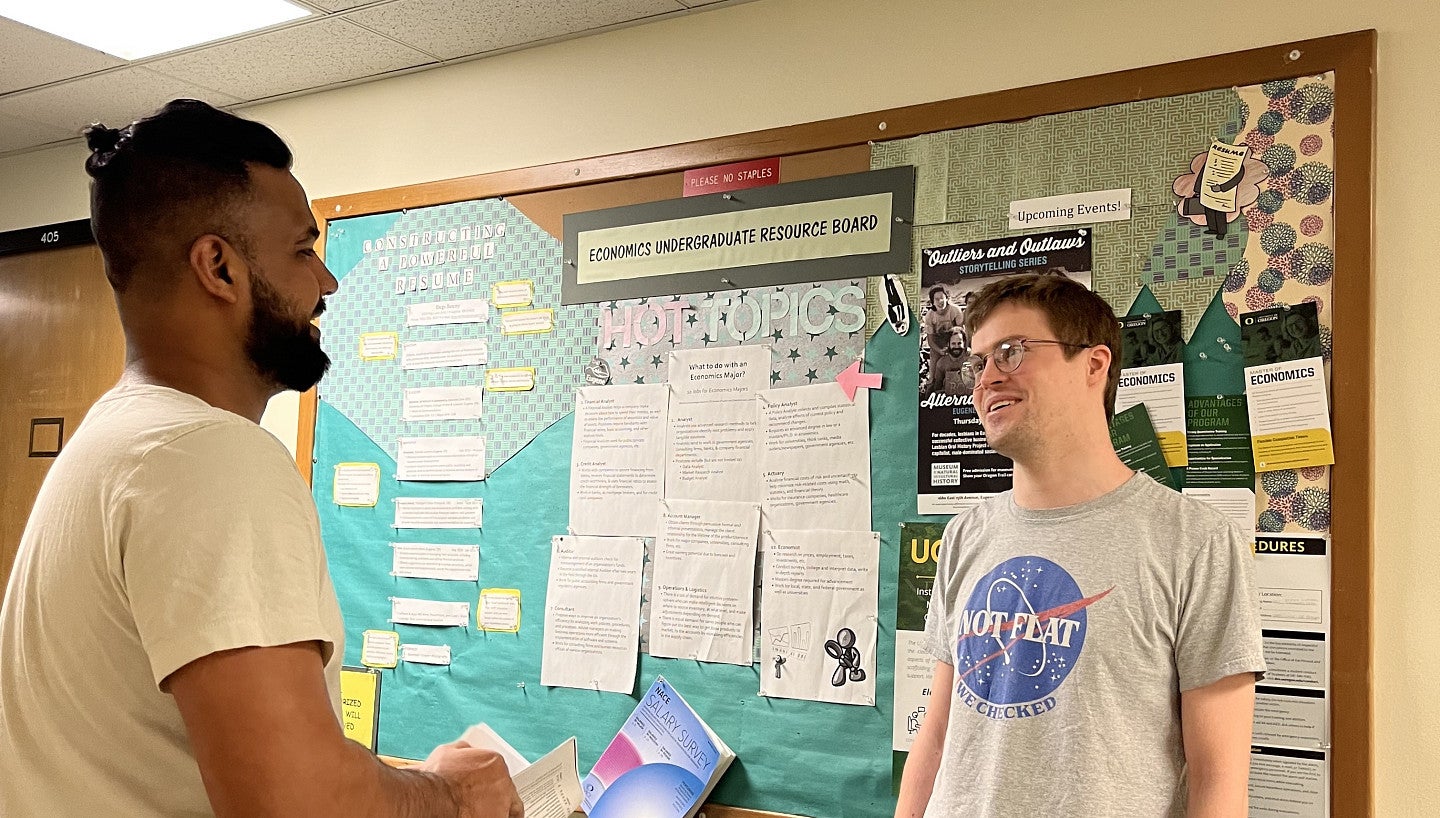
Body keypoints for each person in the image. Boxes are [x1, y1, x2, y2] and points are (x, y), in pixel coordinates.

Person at [0, 100, 523, 817]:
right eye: (304, 251)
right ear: (219, 267)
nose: (326, 283)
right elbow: (293, 801)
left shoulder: (115, 442)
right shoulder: (209, 459)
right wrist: (451, 797)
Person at [895, 274, 1264, 817]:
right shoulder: (964, 535)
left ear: (1094, 365)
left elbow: (1218, 784)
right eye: (979, 363)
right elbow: (939, 734)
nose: (988, 378)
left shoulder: (1197, 543)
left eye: (1012, 352)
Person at [922, 285, 963, 387]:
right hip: (937, 343)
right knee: (933, 372)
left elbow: (961, 333)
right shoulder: (930, 316)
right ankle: (932, 387)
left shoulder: (955, 310)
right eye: (937, 299)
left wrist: (953, 347)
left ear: (947, 298)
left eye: (942, 298)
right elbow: (930, 340)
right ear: (932, 301)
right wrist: (939, 350)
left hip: (954, 340)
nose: (940, 301)